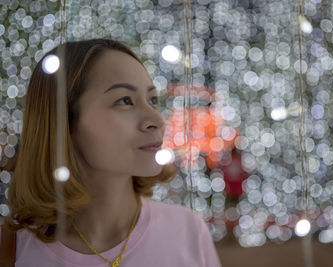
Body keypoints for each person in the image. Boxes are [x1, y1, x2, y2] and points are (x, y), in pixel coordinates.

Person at [0, 39, 221, 267]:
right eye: (125, 101)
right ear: (63, 120)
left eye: (152, 100)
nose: (157, 120)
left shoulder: (187, 232)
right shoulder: (13, 247)